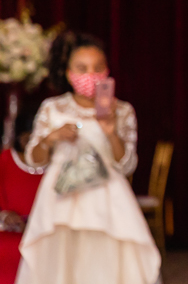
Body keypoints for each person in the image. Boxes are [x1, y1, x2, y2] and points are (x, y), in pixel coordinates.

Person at [17, 31, 160, 284]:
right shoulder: (53, 108)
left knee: (109, 268)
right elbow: (33, 161)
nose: (91, 75)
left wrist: (111, 132)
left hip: (108, 202)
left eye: (98, 67)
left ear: (107, 71)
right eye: (82, 68)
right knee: (60, 268)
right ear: (68, 73)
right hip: (60, 204)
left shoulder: (122, 110)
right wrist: (51, 138)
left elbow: (126, 164)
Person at [0, 105, 44, 284]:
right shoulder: (6, 159)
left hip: (44, 234)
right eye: (27, 137)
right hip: (9, 236)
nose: (31, 143)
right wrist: (4, 217)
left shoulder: (57, 163)